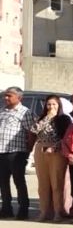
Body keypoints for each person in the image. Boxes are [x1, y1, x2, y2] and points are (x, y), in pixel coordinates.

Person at [30, 95, 71, 221]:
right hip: (41, 150)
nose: (51, 107)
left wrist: (54, 147)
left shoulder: (64, 119)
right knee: (43, 183)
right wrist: (48, 117)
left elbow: (65, 138)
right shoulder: (42, 118)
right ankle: (44, 211)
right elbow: (34, 130)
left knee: (57, 182)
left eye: (54, 104)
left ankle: (58, 211)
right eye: (49, 104)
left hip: (56, 151)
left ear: (59, 106)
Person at [0, 87, 34, 220]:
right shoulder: (2, 111)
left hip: (17, 152)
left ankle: (23, 208)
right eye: (5, 96)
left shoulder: (25, 112)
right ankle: (6, 208)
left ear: (19, 98)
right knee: (3, 181)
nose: (6, 98)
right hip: (2, 151)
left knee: (18, 180)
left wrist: (28, 150)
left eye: (9, 96)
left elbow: (31, 132)